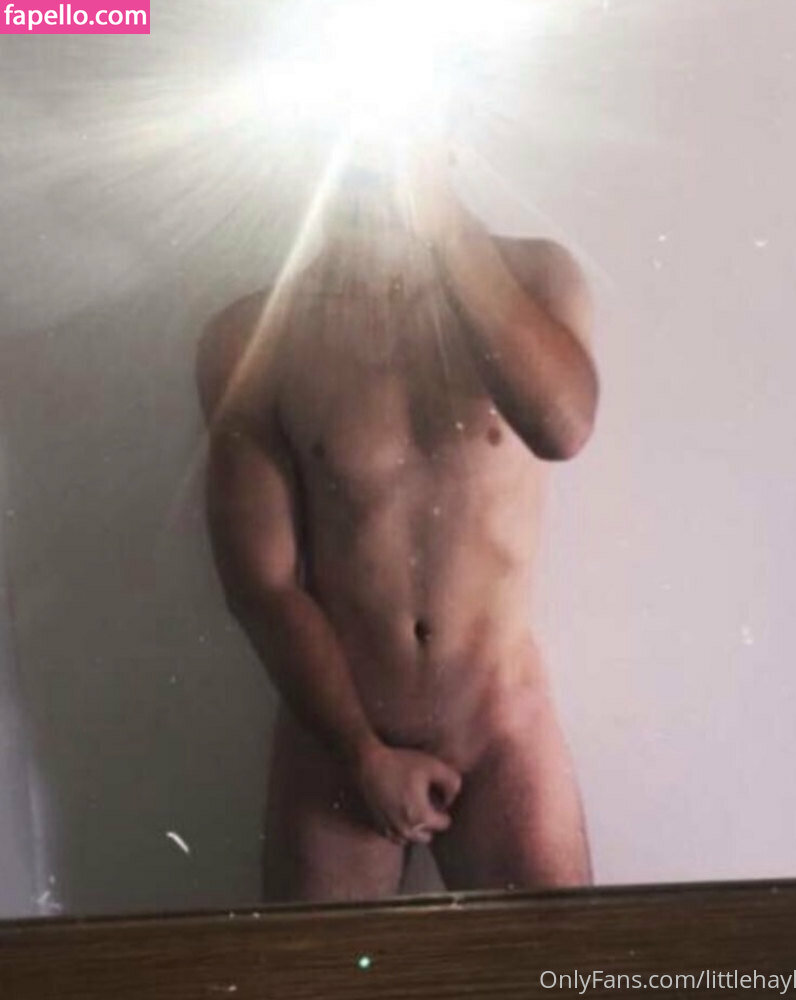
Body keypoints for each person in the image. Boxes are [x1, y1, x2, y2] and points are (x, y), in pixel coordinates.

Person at [196, 139, 599, 901]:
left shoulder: (536, 276)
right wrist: (361, 753)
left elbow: (564, 425)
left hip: (501, 722)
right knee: (317, 969)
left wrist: (441, 223)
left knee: (557, 961)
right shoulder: (253, 335)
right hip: (337, 730)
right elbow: (261, 584)